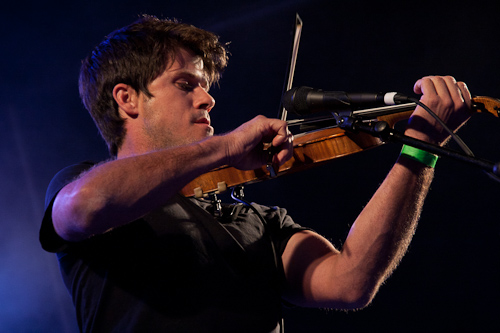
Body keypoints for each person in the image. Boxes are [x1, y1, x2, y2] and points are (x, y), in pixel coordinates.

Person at [40, 15, 473, 332]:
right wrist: (226, 146)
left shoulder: (257, 220)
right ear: (127, 99)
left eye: (207, 87)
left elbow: (350, 281)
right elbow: (84, 206)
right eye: (186, 84)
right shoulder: (85, 184)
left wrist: (420, 150)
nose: (208, 100)